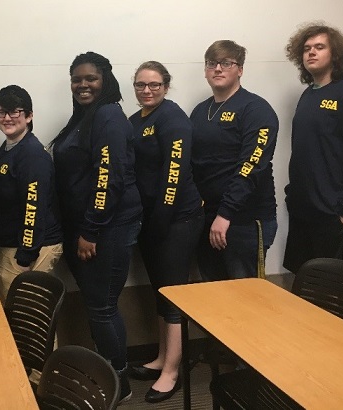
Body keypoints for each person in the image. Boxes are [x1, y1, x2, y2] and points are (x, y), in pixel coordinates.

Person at [51, 51, 142, 403]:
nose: (83, 85)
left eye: (91, 78)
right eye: (76, 79)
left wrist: (90, 230)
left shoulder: (108, 116)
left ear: (105, 80)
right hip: (86, 227)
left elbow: (108, 178)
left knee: (102, 307)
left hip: (107, 228)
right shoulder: (84, 117)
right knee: (96, 305)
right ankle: (105, 372)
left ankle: (119, 382)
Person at [128, 61, 204, 403]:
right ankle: (162, 357)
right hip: (151, 221)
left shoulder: (173, 118)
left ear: (166, 86)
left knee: (173, 293)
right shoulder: (136, 120)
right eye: (141, 85)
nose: (147, 90)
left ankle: (173, 370)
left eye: (154, 85)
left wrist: (159, 220)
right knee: (161, 291)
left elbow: (174, 173)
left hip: (177, 220)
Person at [283, 23, 343, 273]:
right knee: (305, 283)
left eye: (319, 47)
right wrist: (293, 196)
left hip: (334, 214)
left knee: (334, 286)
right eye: (306, 49)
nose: (311, 52)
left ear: (335, 54)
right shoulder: (308, 96)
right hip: (304, 211)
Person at [190, 40, 279, 281]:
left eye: (226, 63)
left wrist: (225, 214)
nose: (218, 68)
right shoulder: (200, 111)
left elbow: (251, 167)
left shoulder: (256, 110)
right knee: (214, 293)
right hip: (208, 218)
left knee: (245, 296)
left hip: (243, 221)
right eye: (212, 63)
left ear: (240, 69)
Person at [0, 85, 63, 300]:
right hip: (11, 244)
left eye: (14, 112)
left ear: (29, 116)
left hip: (33, 247)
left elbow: (33, 208)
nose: (7, 118)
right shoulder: (9, 148)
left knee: (25, 311)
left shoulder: (32, 155)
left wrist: (26, 256)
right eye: (1, 112)